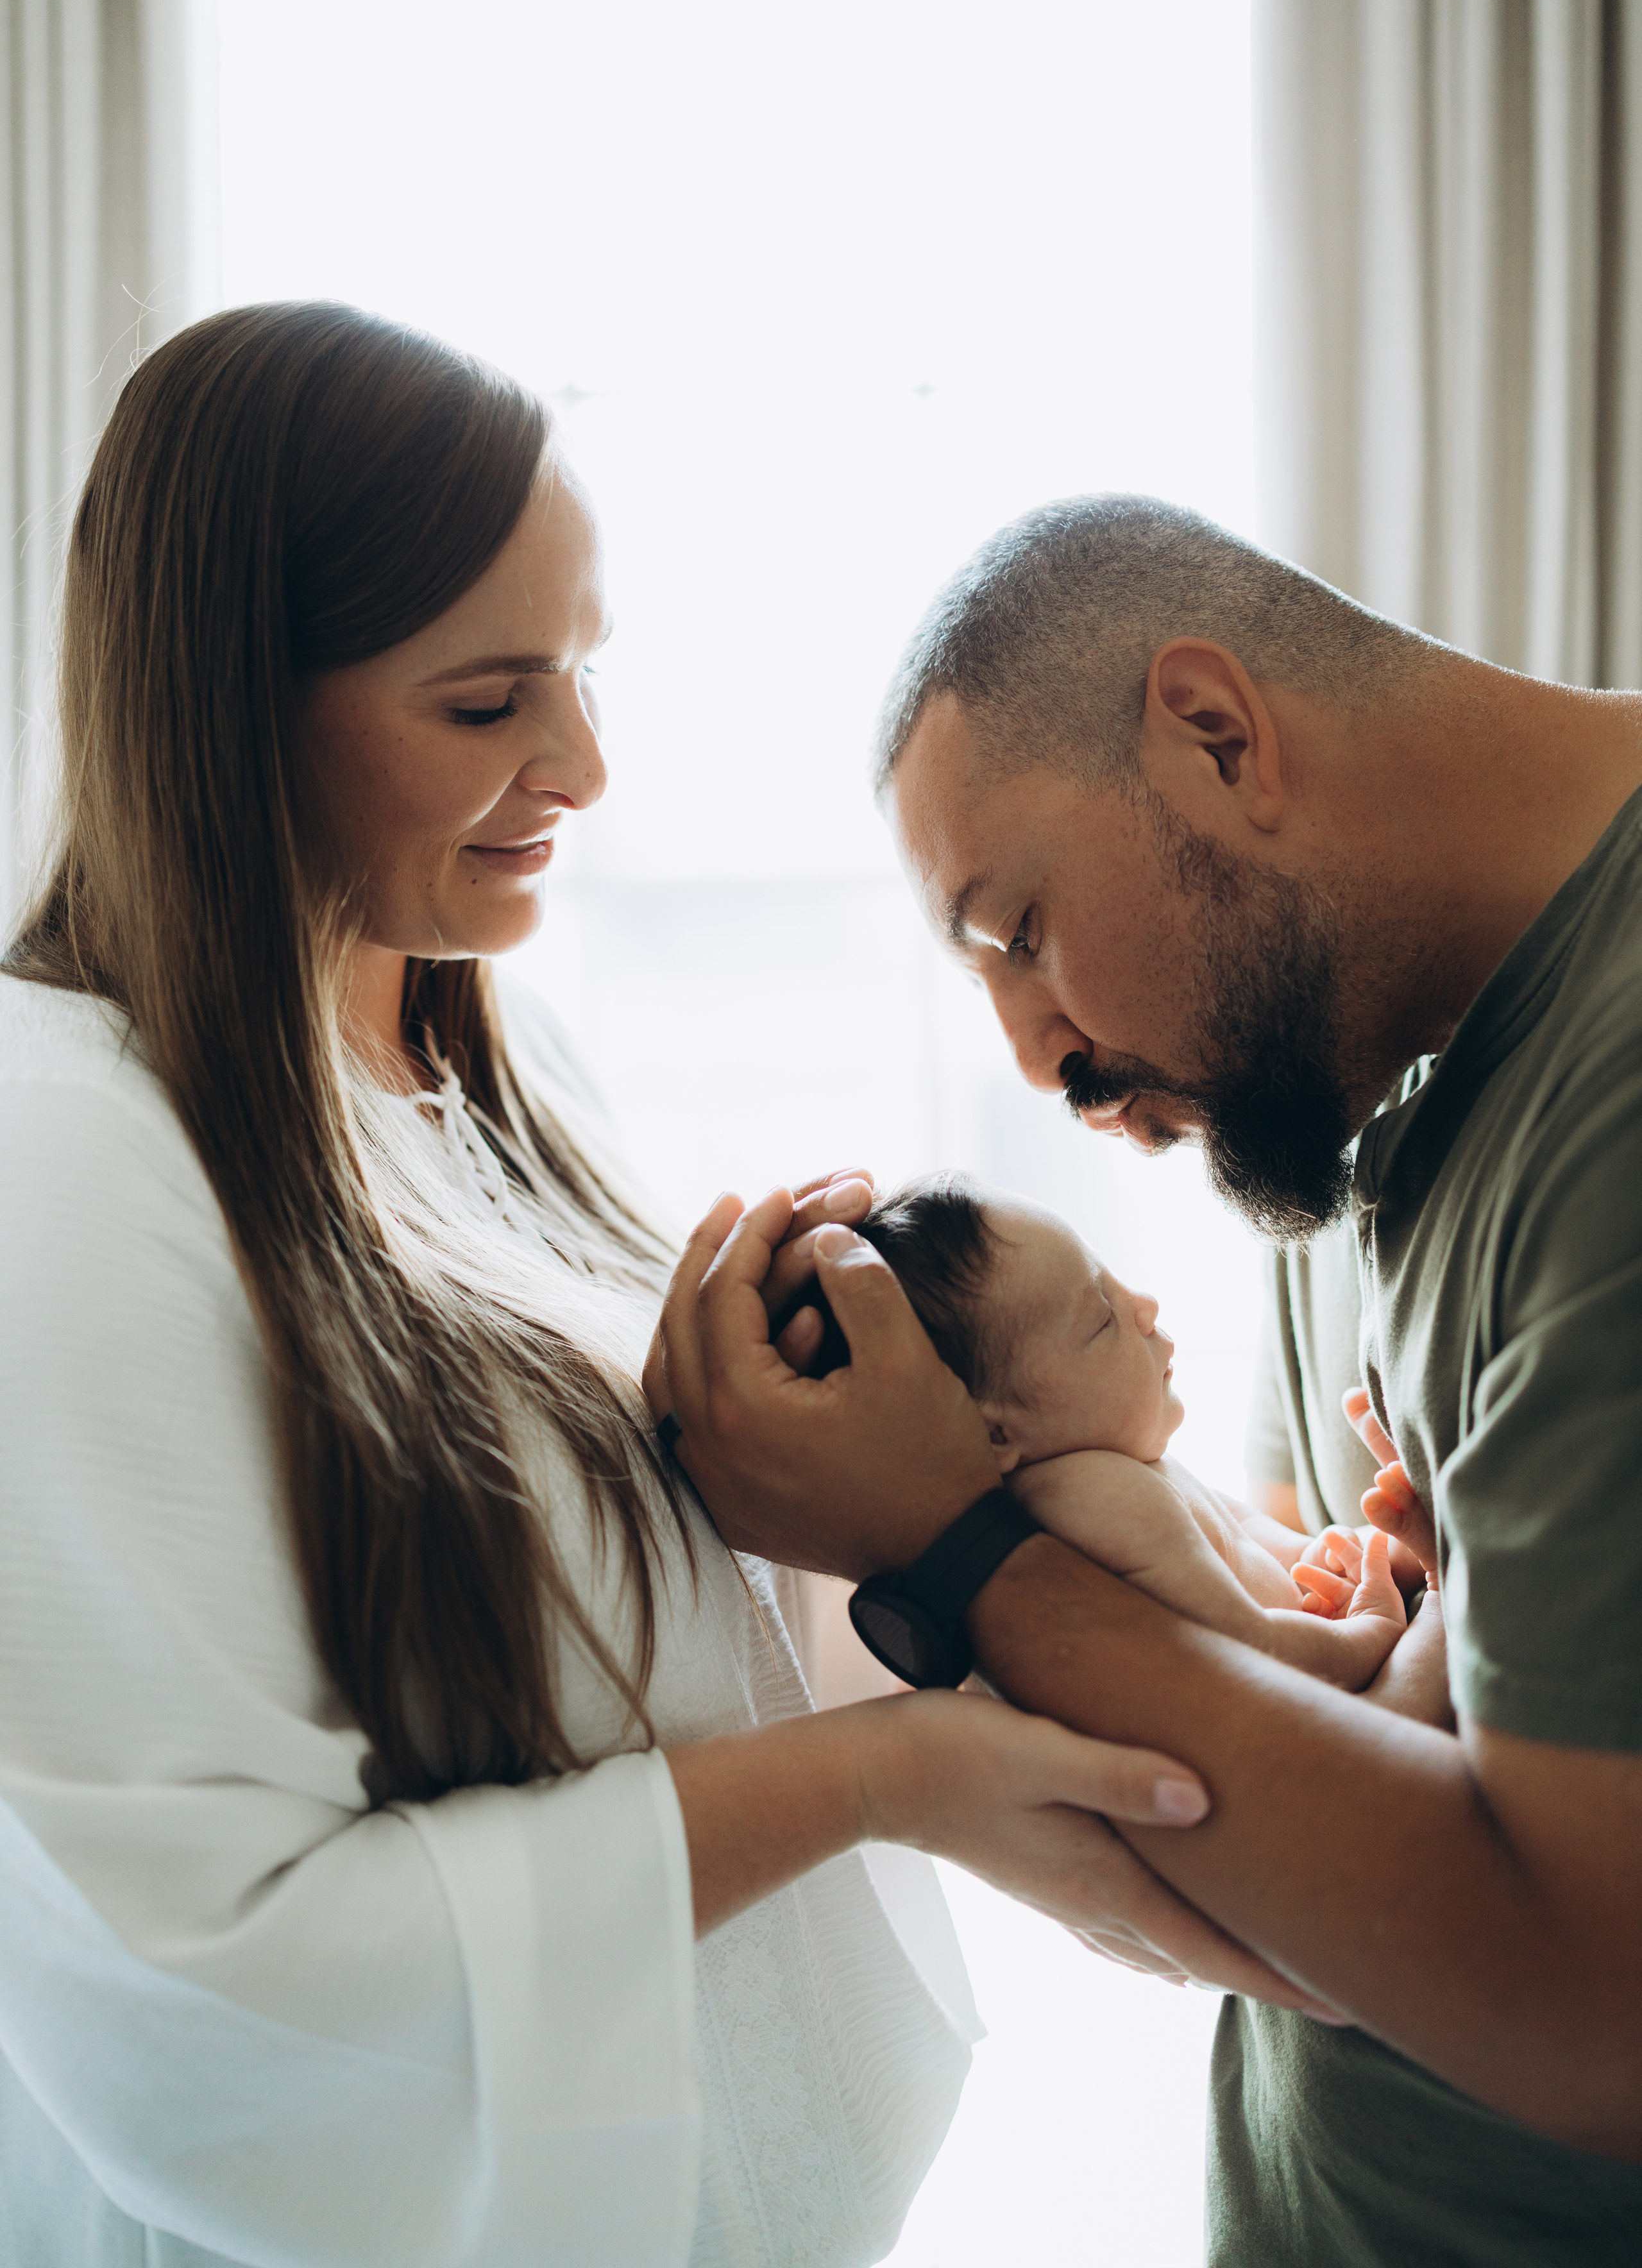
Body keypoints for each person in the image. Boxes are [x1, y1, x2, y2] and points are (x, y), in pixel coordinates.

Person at [0, 326, 1234, 2268]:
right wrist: (885, 1777)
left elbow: (656, 1651)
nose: (582, 766)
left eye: (577, 672)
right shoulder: (64, 1168)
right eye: (490, 699)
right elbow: (210, 1989)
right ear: (225, 706)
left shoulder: (498, 1061)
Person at [653, 495, 1642, 2267]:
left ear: (1217, 734)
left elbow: (1594, 2010)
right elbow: (1268, 1737)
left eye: (1020, 927)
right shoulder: (1347, 1092)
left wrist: (956, 1547)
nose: (1039, 1059)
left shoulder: (1611, 1108)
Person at [786, 1173, 1412, 1686]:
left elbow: (1248, 1537)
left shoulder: (1130, 1469)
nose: (1144, 1307)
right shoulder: (1090, 1499)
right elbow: (1255, 1655)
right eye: (1100, 1320)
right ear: (995, 1437)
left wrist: (1358, 1553)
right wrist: (1376, 1625)